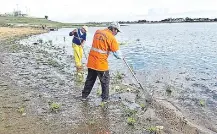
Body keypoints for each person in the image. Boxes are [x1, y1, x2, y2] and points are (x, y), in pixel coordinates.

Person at [82, 22, 123, 102]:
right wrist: (122, 56)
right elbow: (118, 55)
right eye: (117, 31)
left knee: (90, 80)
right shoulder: (111, 38)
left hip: (91, 62)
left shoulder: (97, 32)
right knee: (105, 82)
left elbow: (100, 45)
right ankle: (105, 99)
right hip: (101, 64)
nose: (117, 33)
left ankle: (84, 96)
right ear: (113, 29)